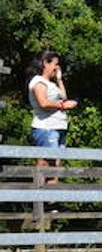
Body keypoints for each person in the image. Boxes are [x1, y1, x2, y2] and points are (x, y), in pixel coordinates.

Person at [27, 51, 77, 185]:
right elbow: (43, 103)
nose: (57, 67)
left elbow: (63, 97)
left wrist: (59, 79)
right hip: (46, 128)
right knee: (46, 165)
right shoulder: (38, 81)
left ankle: (51, 202)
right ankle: (41, 201)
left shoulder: (51, 83)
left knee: (55, 166)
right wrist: (63, 106)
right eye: (55, 64)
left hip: (57, 127)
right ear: (45, 63)